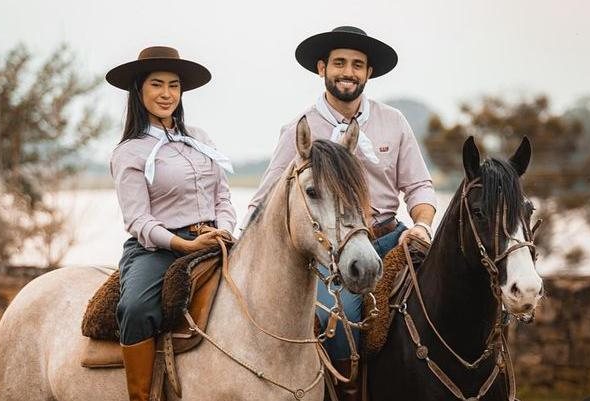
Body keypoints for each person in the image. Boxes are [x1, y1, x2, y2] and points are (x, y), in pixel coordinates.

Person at [241, 26, 437, 400]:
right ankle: (345, 393)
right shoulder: (300, 129)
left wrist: (423, 226)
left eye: (358, 65)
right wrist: (242, 242)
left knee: (443, 297)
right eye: (340, 63)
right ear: (322, 68)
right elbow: (266, 198)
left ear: (369, 73)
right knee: (340, 325)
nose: (349, 71)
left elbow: (419, 187)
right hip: (328, 249)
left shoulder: (393, 122)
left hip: (390, 235)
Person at [106, 46, 236, 401]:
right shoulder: (128, 152)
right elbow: (138, 220)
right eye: (157, 85)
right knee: (135, 308)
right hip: (158, 248)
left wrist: (223, 227)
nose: (167, 94)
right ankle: (141, 395)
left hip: (213, 236)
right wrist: (182, 245)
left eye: (174, 86)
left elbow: (222, 195)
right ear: (139, 90)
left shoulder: (200, 139)